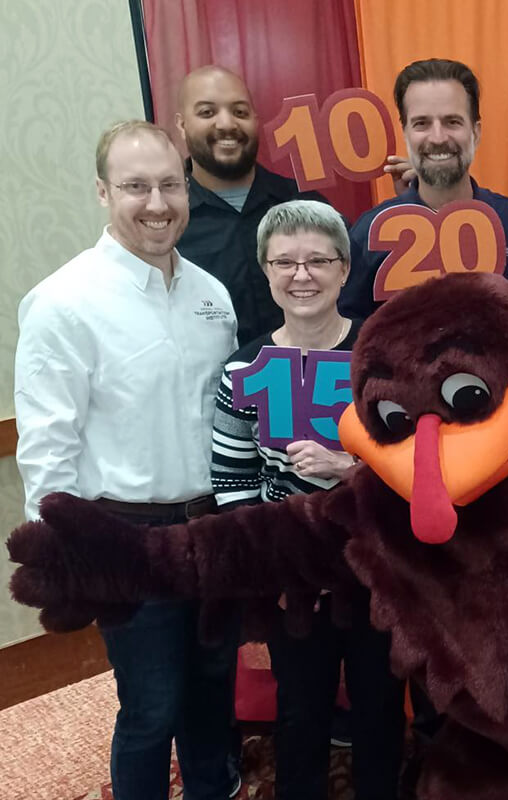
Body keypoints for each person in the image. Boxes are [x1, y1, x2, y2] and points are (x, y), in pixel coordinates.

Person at [14, 120, 239, 800]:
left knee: (211, 691)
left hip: (210, 530)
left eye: (170, 184)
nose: (156, 202)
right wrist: (59, 560)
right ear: (102, 192)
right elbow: (47, 445)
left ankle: (215, 789)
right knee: (150, 708)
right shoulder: (62, 304)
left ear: (187, 188)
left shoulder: (211, 294)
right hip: (123, 538)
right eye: (135, 186)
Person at [211, 199, 405, 800]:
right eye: (284, 262)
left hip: (378, 570)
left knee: (378, 709)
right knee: (300, 711)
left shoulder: (384, 361)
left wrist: (354, 468)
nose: (302, 275)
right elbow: (231, 482)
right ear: (266, 272)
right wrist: (267, 565)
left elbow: (420, 471)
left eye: (318, 260)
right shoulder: (243, 368)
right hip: (294, 580)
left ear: (345, 270)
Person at [341, 58, 508, 320]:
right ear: (406, 133)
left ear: (475, 132)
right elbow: (350, 335)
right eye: (421, 123)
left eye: (452, 121)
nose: (438, 138)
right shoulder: (369, 232)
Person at [175, 65, 329, 346]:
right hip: (211, 386)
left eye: (240, 112)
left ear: (255, 120)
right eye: (207, 112)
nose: (226, 124)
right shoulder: (170, 224)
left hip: (311, 382)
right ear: (182, 125)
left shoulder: (305, 205)